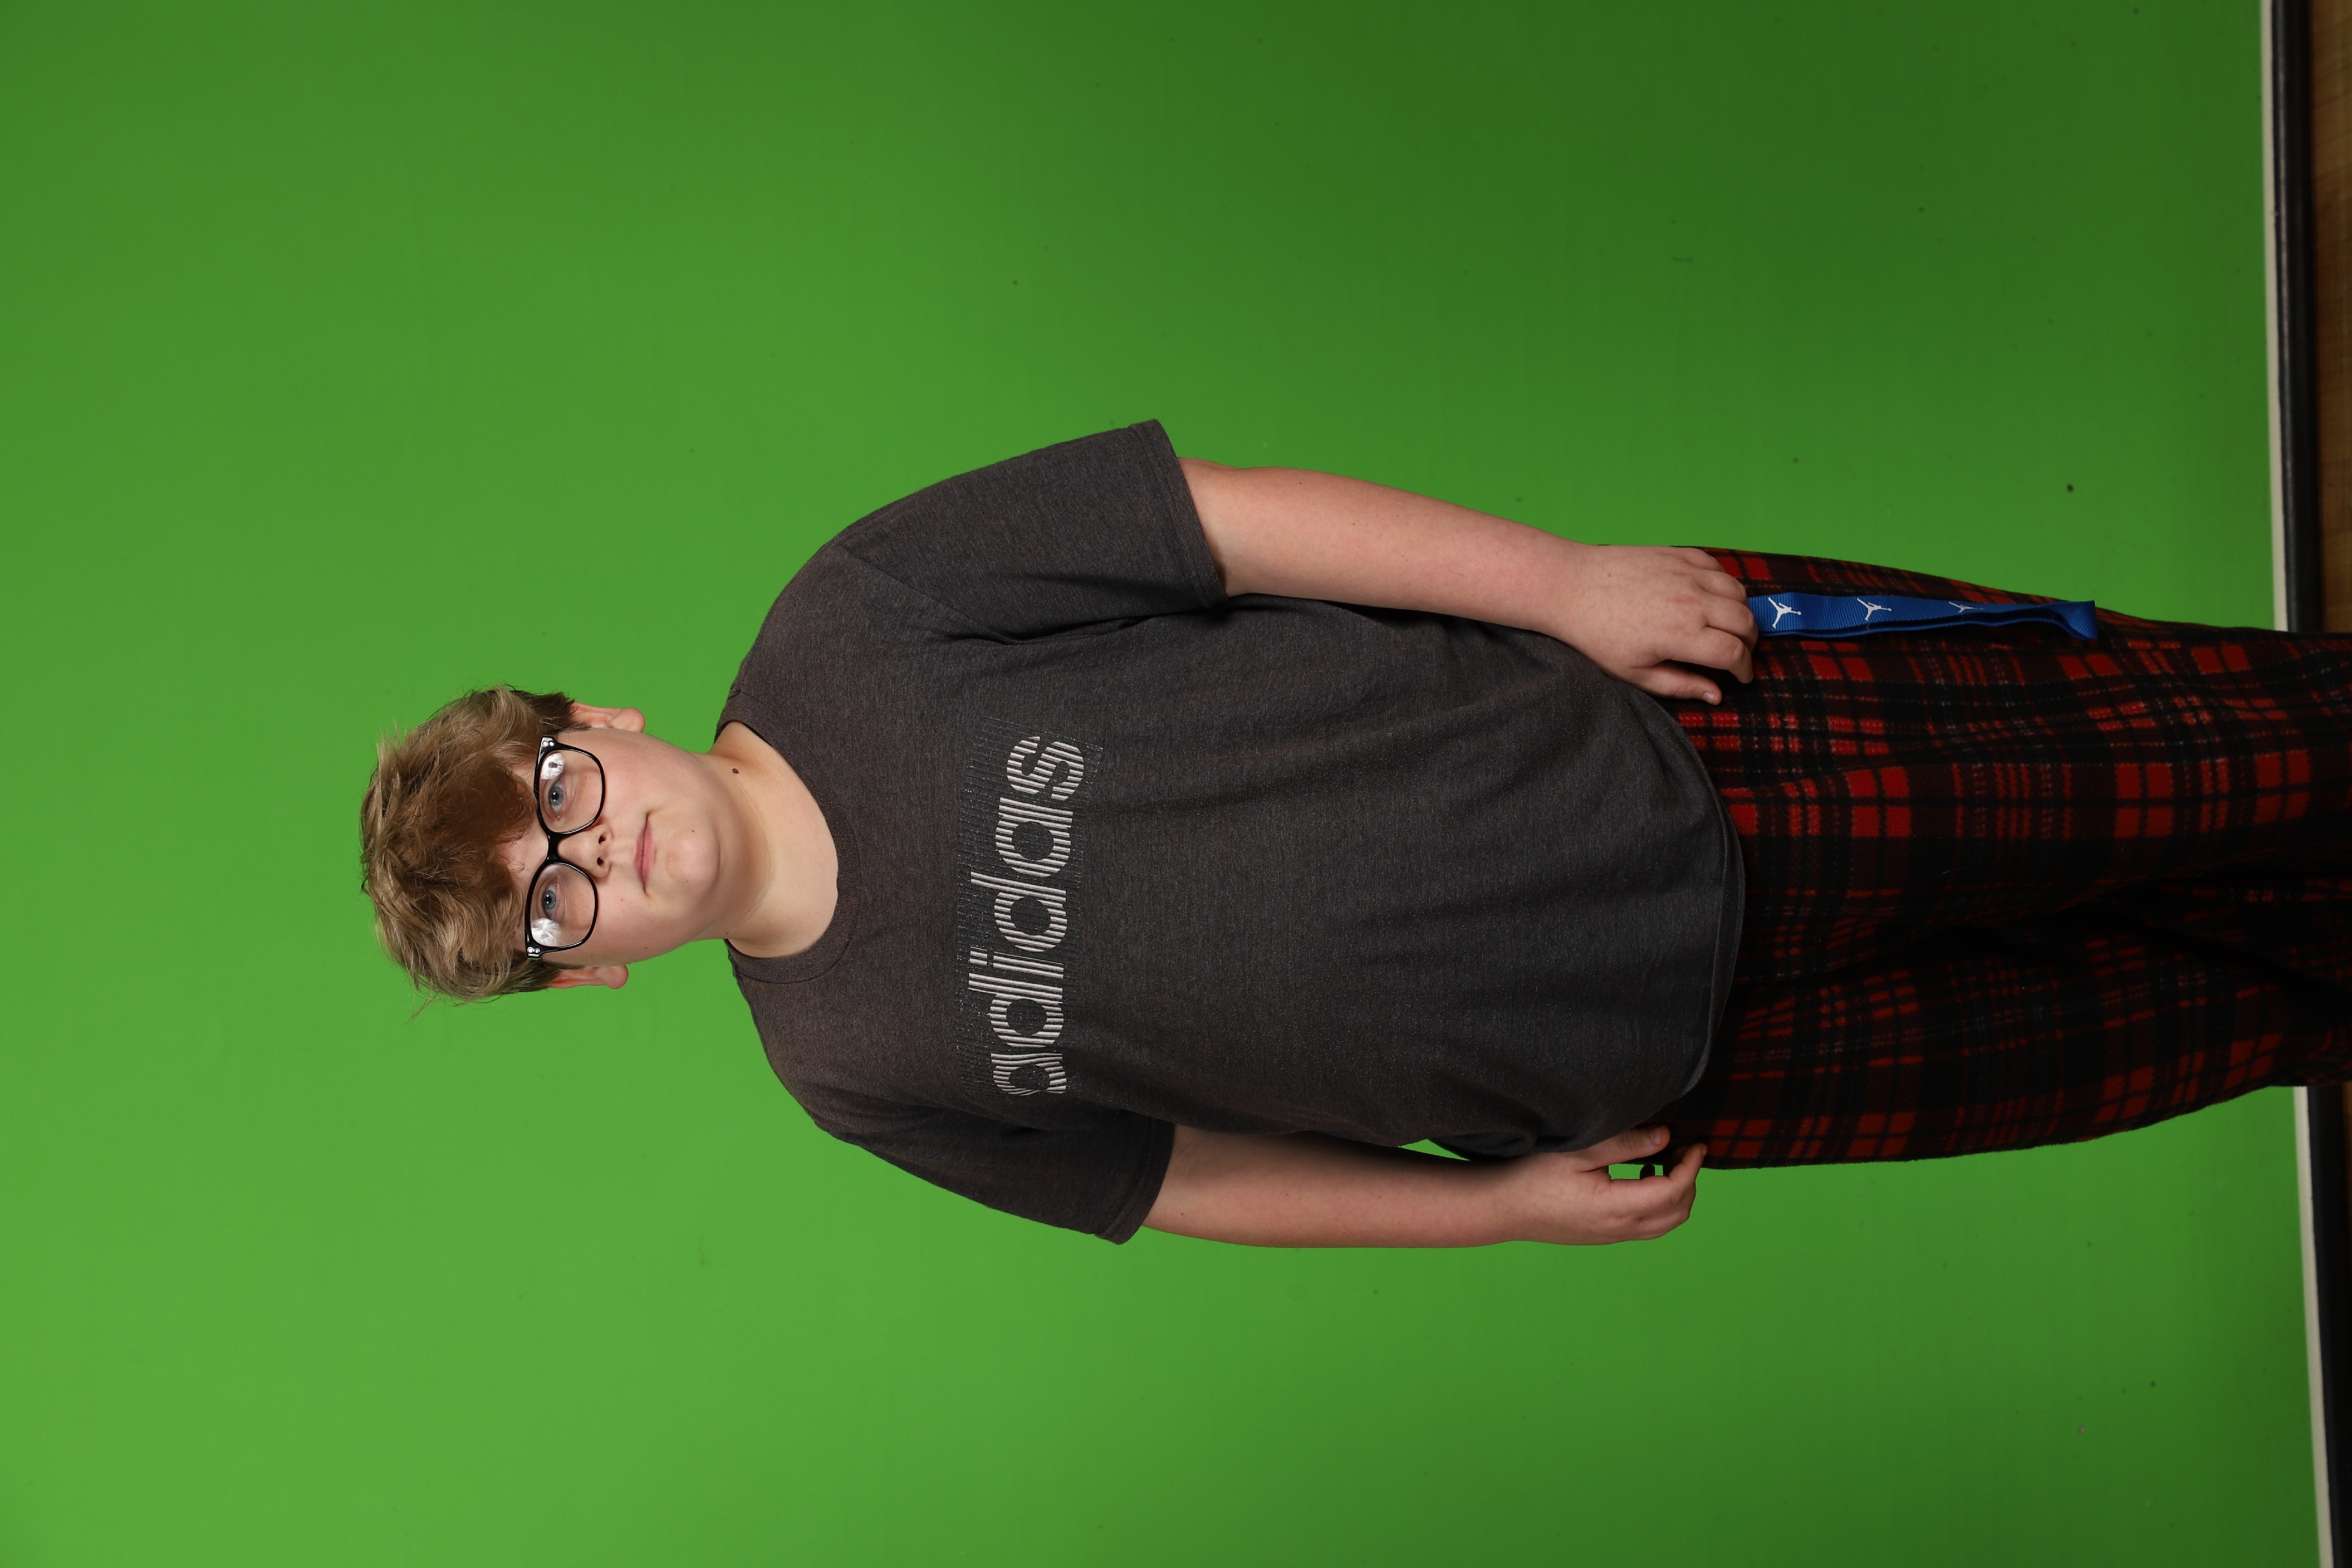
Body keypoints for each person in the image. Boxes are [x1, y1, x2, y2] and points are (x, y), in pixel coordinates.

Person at [361, 422, 2352, 1248]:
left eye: (561, 802)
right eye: (555, 910)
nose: (600, 858)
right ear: (592, 977)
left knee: (2236, 766)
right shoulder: (848, 1073)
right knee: (2207, 1018)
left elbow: (1223, 525)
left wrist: (1567, 585)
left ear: (598, 729)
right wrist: (1494, 1212)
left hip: (1682, 755)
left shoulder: (862, 612)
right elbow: (1187, 1180)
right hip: (1667, 1067)